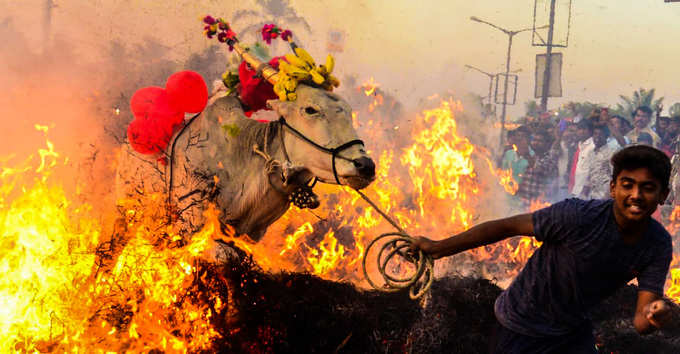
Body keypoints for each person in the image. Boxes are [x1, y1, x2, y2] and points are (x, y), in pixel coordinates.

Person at [412, 145, 674, 354]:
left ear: (663, 195)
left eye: (648, 188)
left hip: (571, 331)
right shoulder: (577, 216)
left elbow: (642, 319)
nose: (636, 195)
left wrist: (654, 316)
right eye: (628, 184)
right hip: (521, 324)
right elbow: (506, 227)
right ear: (613, 188)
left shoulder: (657, 244)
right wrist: (439, 248)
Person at [517, 129, 557, 203]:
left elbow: (540, 170)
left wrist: (527, 155)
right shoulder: (534, 156)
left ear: (547, 144)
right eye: (534, 140)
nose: (535, 143)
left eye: (540, 141)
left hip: (539, 204)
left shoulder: (551, 157)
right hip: (525, 203)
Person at [581, 125, 620, 199]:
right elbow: (590, 174)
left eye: (600, 134)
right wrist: (584, 192)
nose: (597, 137)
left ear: (606, 136)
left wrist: (609, 194)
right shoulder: (591, 153)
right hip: (593, 194)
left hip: (606, 195)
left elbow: (615, 175)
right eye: (595, 134)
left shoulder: (611, 153)